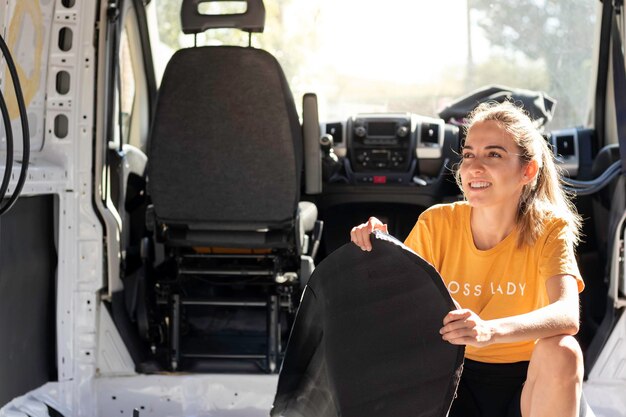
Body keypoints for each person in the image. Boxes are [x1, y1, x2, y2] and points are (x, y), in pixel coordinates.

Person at [350, 101, 585, 417]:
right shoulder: (437, 223)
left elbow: (567, 315)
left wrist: (488, 331)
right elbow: (393, 308)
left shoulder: (549, 229)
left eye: (494, 154)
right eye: (469, 153)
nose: (475, 166)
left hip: (527, 385)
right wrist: (378, 253)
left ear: (527, 170)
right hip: (451, 376)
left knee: (563, 351)